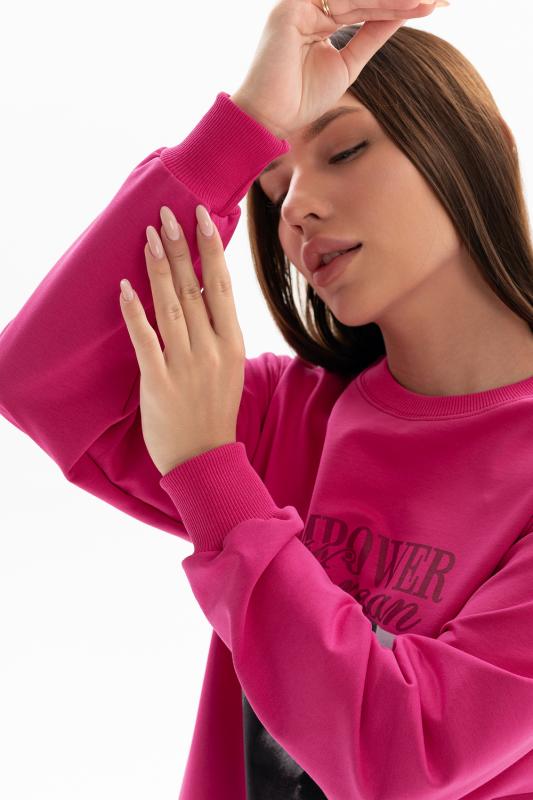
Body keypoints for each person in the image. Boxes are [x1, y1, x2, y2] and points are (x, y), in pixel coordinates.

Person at [1, 1, 532, 798]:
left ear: (469, 144)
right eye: (273, 186)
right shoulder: (286, 414)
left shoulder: (225, 437)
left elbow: (406, 757)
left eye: (344, 150)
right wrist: (242, 126)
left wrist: (209, 472)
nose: (294, 209)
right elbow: (41, 377)